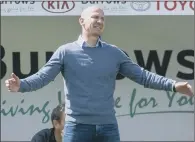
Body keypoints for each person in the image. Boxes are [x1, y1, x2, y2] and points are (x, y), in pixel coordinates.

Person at [5, 5, 193, 142]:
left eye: (102, 19)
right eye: (95, 17)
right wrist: (21, 85)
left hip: (108, 127)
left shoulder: (114, 53)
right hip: (76, 128)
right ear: (81, 21)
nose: (100, 21)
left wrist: (173, 85)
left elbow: (143, 76)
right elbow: (43, 76)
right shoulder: (66, 51)